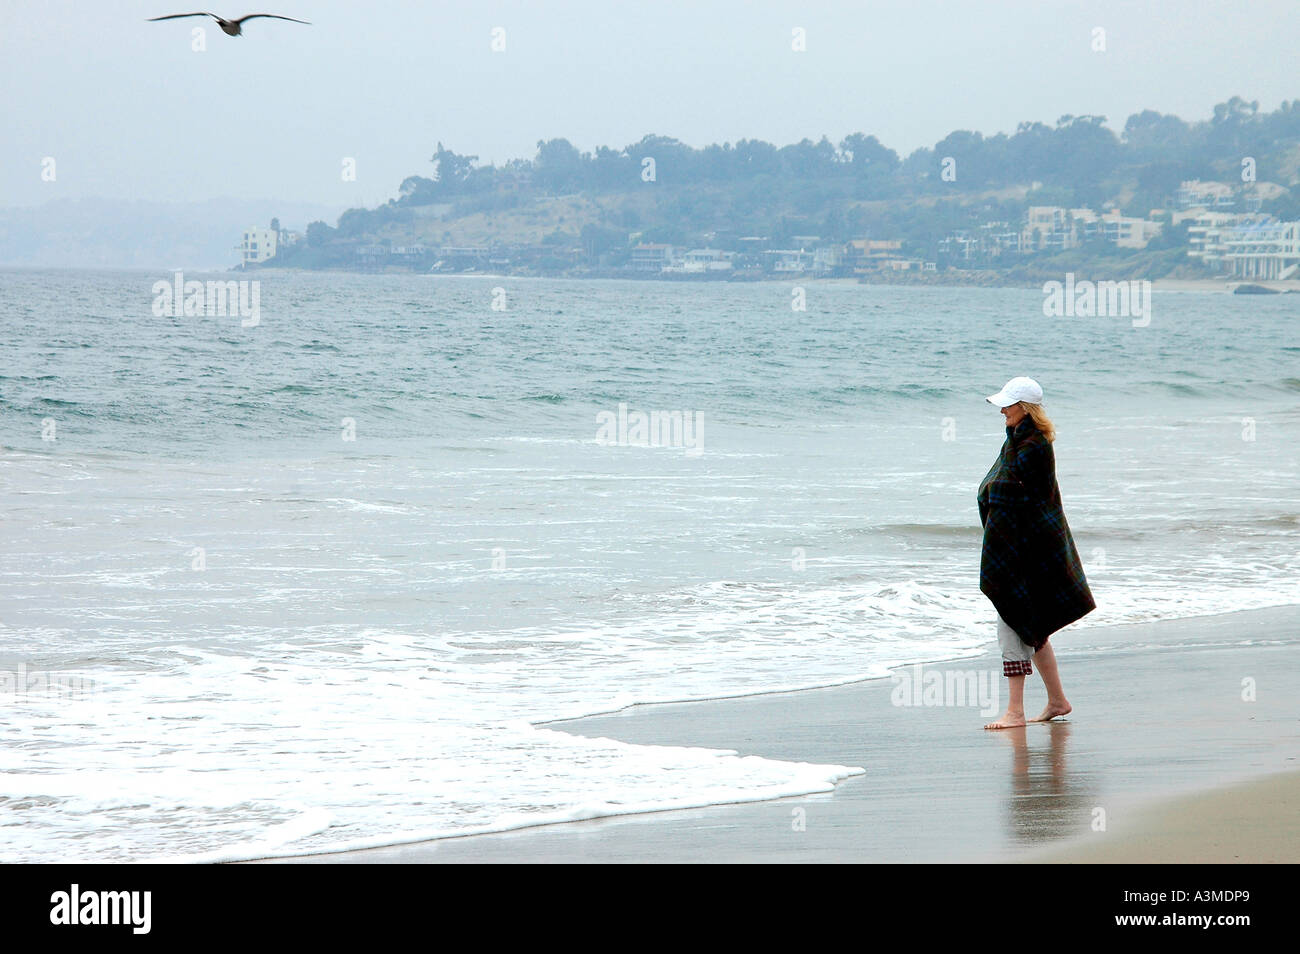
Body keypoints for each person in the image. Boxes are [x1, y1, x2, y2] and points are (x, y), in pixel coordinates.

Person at [977, 376, 1095, 730]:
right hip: (1020, 546)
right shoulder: (1017, 439)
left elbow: (1019, 494)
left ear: (1023, 408)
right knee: (1032, 625)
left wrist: (989, 494)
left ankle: (1015, 711)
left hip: (1026, 551)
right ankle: (1058, 700)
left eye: (1007, 405)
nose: (1002, 410)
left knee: (1011, 623)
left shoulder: (1035, 445)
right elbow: (1002, 485)